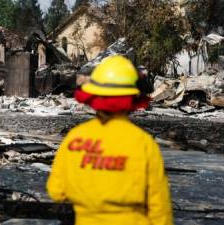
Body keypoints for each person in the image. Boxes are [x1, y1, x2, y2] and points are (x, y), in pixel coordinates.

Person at [46, 56, 173, 225]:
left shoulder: (75, 138)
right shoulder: (143, 144)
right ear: (134, 100)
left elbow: (56, 191)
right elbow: (159, 209)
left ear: (93, 96)